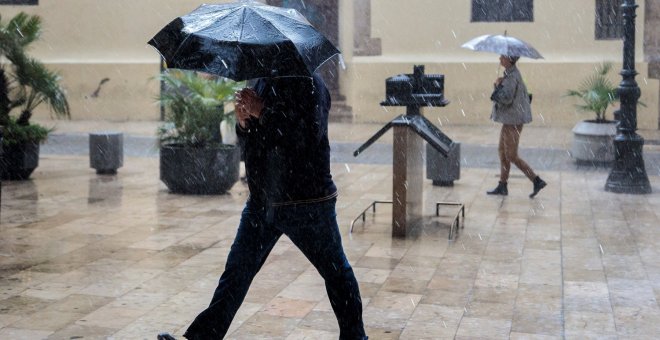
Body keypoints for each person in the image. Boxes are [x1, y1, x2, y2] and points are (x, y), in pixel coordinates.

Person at [159, 74, 367, 340]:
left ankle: (355, 337)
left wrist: (263, 111)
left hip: (306, 202)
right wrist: (244, 123)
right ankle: (203, 337)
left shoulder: (312, 85)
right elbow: (255, 142)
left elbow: (305, 137)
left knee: (335, 271)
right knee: (237, 271)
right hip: (263, 200)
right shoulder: (263, 82)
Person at [487, 55, 547, 198]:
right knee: (502, 152)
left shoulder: (512, 76)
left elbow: (506, 98)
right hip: (509, 120)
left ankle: (536, 180)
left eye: (502, 57)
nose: (499, 59)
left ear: (510, 60)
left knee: (511, 155)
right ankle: (502, 185)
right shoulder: (510, 75)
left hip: (513, 120)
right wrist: (501, 83)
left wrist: (497, 86)